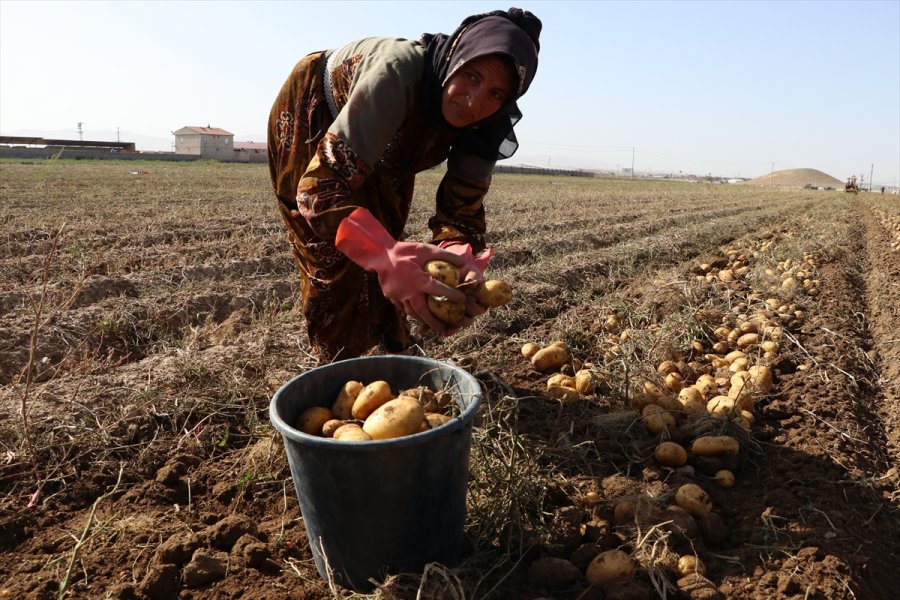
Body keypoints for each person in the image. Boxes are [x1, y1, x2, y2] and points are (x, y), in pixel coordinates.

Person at [267, 8, 541, 362]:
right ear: (456, 56)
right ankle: (340, 370)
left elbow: (462, 211)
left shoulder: (488, 124)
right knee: (336, 259)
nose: (474, 102)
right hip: (319, 115)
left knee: (394, 247)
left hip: (393, 150)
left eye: (495, 94)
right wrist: (383, 255)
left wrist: (458, 261)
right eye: (471, 76)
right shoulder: (397, 75)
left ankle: (393, 353)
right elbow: (318, 190)